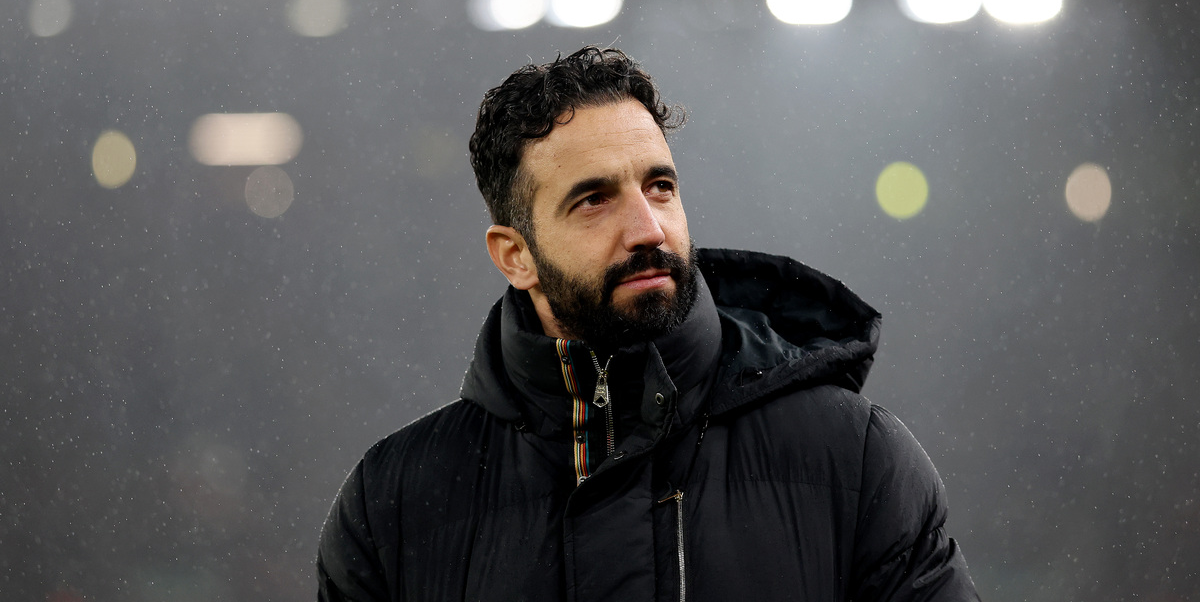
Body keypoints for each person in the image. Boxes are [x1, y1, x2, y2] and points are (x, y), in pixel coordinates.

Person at [317, 45, 980, 601]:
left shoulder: (856, 459)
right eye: (593, 200)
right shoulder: (394, 502)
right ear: (514, 256)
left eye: (660, 187)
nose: (647, 228)